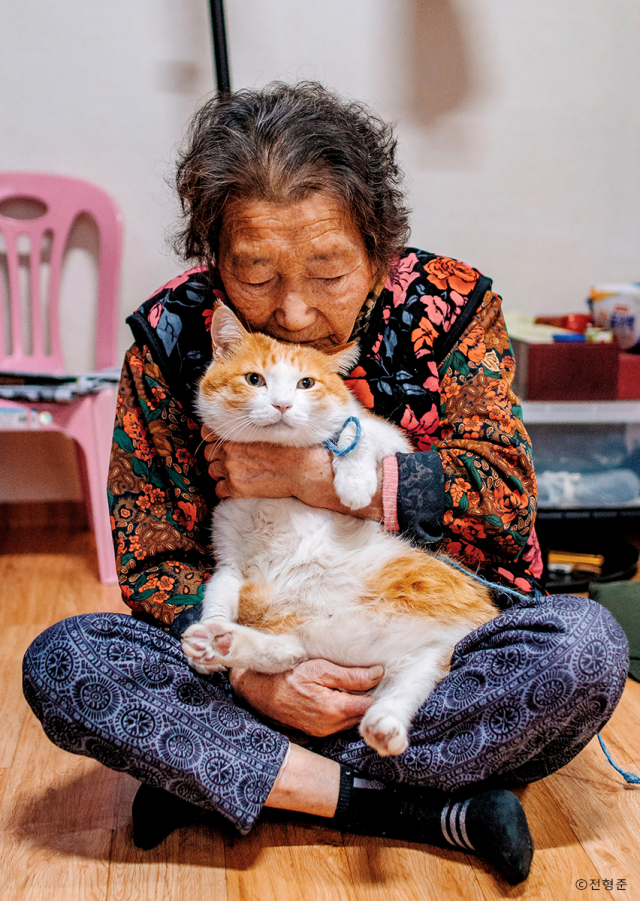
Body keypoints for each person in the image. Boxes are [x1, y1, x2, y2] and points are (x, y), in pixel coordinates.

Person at [23, 82, 628, 885]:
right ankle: (415, 804)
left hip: (419, 652)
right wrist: (260, 680)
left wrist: (317, 478)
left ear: (380, 252)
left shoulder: (453, 308)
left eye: (329, 273)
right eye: (256, 274)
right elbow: (152, 559)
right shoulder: (168, 341)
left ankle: (235, 776)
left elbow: (505, 496)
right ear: (214, 260)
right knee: (68, 661)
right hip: (256, 658)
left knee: (585, 651)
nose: (295, 313)